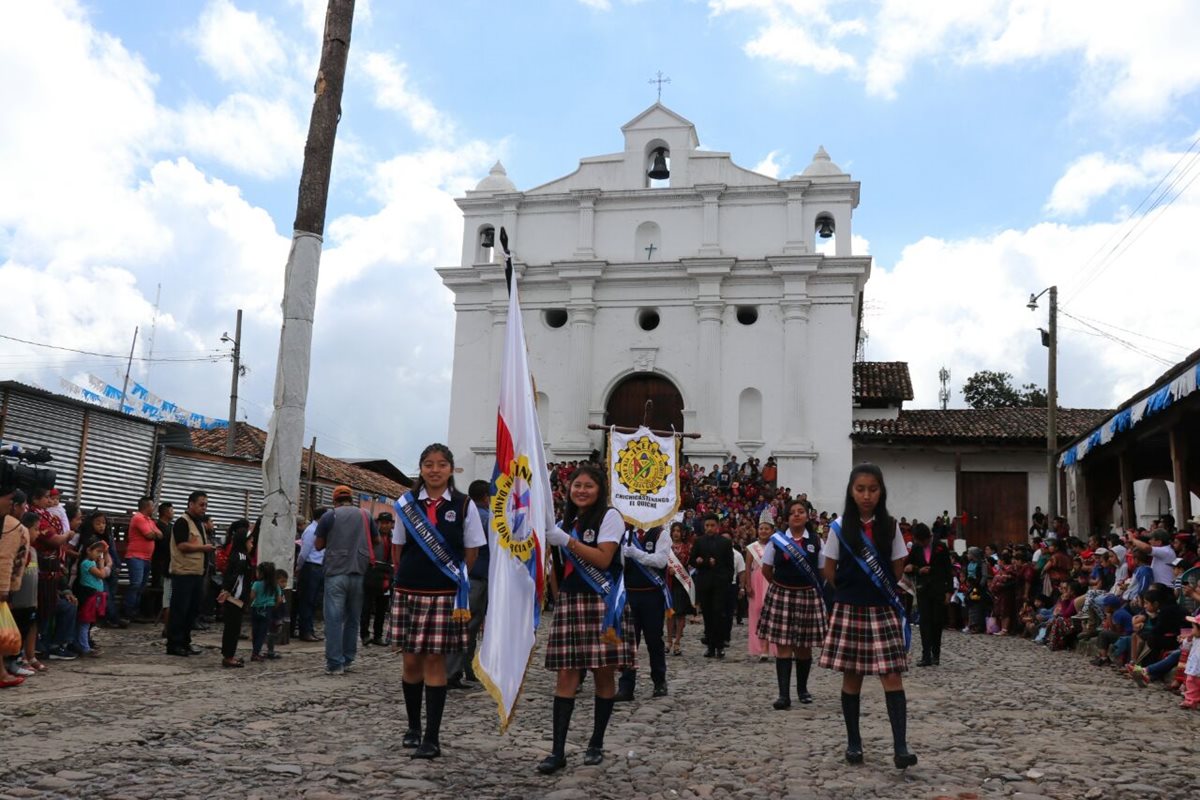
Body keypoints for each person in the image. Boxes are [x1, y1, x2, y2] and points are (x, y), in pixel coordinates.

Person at [820, 464, 916, 770]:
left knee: (891, 674)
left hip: (882, 607)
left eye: (872, 489)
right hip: (850, 607)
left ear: (881, 491)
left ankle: (900, 747)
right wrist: (851, 590)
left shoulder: (890, 525)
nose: (866, 495)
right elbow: (829, 568)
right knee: (853, 675)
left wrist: (881, 587)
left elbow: (899, 562)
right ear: (851, 491)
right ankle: (853, 743)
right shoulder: (839, 527)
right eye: (860, 489)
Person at [538, 464, 632, 774]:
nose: (581, 490)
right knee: (566, 675)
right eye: (576, 485)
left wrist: (567, 540)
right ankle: (558, 750)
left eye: (588, 486)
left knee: (603, 675)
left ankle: (595, 743)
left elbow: (604, 558)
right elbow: (558, 564)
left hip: (602, 603)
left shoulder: (610, 517)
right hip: (572, 601)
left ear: (600, 489)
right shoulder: (567, 520)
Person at [390, 444, 482, 760]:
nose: (434, 470)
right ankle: (413, 727)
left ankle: (432, 736)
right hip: (410, 591)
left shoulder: (464, 504)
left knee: (434, 661)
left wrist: (456, 578)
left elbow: (472, 551)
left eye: (441, 464)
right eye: (428, 464)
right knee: (411, 660)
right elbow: (398, 547)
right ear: (421, 468)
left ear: (451, 469)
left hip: (445, 594)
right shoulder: (405, 505)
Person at [758, 499, 827, 710]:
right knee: (783, 645)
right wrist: (781, 587)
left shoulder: (816, 541)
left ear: (807, 516)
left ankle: (802, 689)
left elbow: (823, 571)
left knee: (804, 647)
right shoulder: (776, 541)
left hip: (807, 595)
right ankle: (783, 695)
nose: (797, 515)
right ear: (786, 518)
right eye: (792, 512)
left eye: (801, 512)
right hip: (782, 594)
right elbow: (767, 569)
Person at [314, 485, 379, 676]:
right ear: (352, 499)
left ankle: (335, 664)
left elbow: (318, 545)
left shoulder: (329, 516)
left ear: (335, 500)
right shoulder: (365, 515)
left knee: (334, 620)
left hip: (336, 572)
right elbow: (376, 541)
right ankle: (348, 658)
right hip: (359, 572)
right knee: (353, 618)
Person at [615, 521, 671, 701]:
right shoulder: (625, 533)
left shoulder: (659, 534)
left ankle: (659, 681)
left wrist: (636, 553)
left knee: (654, 640)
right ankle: (626, 686)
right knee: (629, 642)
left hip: (651, 595)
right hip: (630, 593)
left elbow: (661, 561)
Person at [445, 479, 492, 689]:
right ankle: (454, 672)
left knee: (467, 626)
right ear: (486, 497)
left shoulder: (467, 514)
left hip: (466, 576)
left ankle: (464, 669)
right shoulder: (486, 518)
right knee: (466, 626)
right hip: (476, 578)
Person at [166, 491, 215, 657]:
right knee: (180, 609)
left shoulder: (199, 523)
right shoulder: (182, 522)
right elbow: (181, 546)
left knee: (192, 611)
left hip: (197, 573)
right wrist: (203, 548)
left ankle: (186, 642)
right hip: (183, 573)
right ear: (191, 504)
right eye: (201, 504)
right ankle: (174, 644)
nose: (204, 508)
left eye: (206, 505)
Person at [906, 523, 952, 666]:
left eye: (922, 541)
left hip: (938, 589)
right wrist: (918, 570)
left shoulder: (940, 547)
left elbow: (948, 570)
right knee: (925, 623)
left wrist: (949, 591)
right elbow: (908, 566)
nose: (921, 543)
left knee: (936, 622)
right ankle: (926, 655)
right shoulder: (916, 548)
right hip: (923, 589)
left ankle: (936, 654)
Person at [691, 513, 734, 659]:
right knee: (708, 615)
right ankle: (710, 645)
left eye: (712, 525)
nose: (709, 528)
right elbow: (692, 560)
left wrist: (727, 580)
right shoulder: (699, 541)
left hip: (720, 583)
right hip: (705, 582)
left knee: (719, 614)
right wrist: (701, 562)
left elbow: (730, 565)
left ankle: (720, 645)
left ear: (717, 526)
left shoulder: (725, 542)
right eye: (707, 526)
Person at [0, 487, 31, 686]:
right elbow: (5, 558)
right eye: (23, 505)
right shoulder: (11, 526)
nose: (25, 509)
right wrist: (4, 589)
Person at [216, 520, 253, 668]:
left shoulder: (237, 554)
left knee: (232, 628)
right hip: (235, 598)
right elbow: (236, 578)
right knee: (233, 628)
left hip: (233, 597)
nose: (252, 544)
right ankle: (229, 657)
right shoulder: (241, 557)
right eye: (250, 541)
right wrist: (231, 594)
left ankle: (229, 654)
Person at [123, 496, 161, 622]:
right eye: (152, 506)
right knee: (135, 585)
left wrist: (154, 533)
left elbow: (160, 534)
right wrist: (153, 534)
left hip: (146, 558)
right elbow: (149, 535)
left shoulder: (149, 520)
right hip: (136, 557)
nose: (154, 508)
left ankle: (135, 612)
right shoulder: (138, 518)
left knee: (141, 586)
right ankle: (128, 612)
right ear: (146, 506)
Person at [361, 511, 394, 648]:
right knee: (367, 607)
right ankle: (364, 634)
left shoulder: (394, 537)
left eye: (387, 523)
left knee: (382, 607)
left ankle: (378, 635)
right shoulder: (372, 537)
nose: (385, 526)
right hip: (372, 572)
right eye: (382, 523)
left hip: (387, 574)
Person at [75, 538, 112, 658]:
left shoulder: (93, 563)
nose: (99, 555)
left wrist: (105, 555)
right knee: (85, 622)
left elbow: (108, 567)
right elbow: (101, 574)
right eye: (97, 551)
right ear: (88, 551)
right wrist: (102, 565)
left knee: (89, 622)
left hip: (95, 596)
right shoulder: (87, 563)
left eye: (100, 552)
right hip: (88, 596)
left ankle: (84, 644)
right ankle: (84, 647)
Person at [295, 507, 327, 642]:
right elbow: (304, 552)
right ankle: (305, 631)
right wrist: (299, 567)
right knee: (307, 600)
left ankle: (310, 629)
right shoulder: (311, 531)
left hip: (319, 568)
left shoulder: (320, 531)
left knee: (313, 601)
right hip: (310, 567)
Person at [745, 521, 775, 661]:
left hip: (771, 580)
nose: (763, 531)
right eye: (761, 528)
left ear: (772, 530)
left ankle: (770, 646)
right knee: (757, 612)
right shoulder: (752, 547)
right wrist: (747, 585)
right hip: (756, 580)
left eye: (766, 528)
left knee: (771, 613)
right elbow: (747, 567)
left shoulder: (776, 545)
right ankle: (759, 646)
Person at [665, 522, 694, 656]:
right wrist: (667, 569)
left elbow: (690, 564)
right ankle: (668, 640)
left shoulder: (688, 547)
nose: (676, 533)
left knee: (680, 613)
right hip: (669, 582)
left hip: (681, 582)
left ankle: (677, 642)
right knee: (670, 613)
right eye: (674, 530)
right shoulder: (666, 546)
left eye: (678, 530)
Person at [249, 561, 283, 662]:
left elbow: (252, 596)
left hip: (256, 609)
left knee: (255, 631)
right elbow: (279, 600)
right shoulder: (275, 586)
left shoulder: (256, 584)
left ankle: (255, 651)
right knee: (262, 633)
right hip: (268, 609)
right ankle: (255, 653)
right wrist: (274, 607)